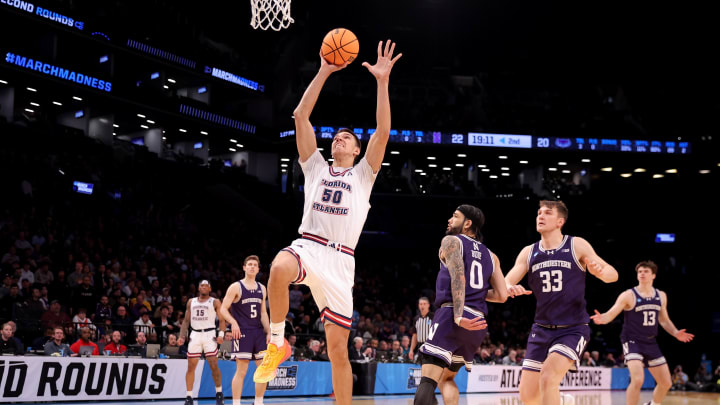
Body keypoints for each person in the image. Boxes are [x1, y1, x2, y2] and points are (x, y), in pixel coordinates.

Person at [252, 39, 402, 405]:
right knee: (278, 268)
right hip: (309, 245)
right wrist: (324, 69)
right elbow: (301, 117)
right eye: (337, 135)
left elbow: (382, 133)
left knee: (338, 351)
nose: (340, 138)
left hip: (341, 262)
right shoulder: (316, 166)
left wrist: (382, 82)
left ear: (355, 150)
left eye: (348, 138)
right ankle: (277, 343)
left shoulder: (365, 173)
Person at [505, 200, 618, 405]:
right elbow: (505, 283)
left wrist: (600, 272)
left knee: (548, 378)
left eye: (547, 213)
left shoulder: (576, 244)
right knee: (528, 396)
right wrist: (509, 287)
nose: (540, 216)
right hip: (541, 328)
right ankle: (561, 401)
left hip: (572, 328)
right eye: (539, 212)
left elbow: (613, 274)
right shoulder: (529, 252)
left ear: (560, 221)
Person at [414, 205, 508, 405]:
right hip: (477, 322)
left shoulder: (451, 241)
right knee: (447, 378)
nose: (449, 219)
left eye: (455, 216)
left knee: (428, 380)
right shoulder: (492, 256)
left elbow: (458, 277)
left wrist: (457, 316)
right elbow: (501, 295)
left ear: (467, 224)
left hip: (453, 315)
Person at [590, 260, 694, 405]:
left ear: (653, 276)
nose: (642, 274)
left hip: (651, 341)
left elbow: (664, 320)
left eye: (646, 271)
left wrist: (676, 332)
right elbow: (610, 314)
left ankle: (653, 404)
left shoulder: (661, 296)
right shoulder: (628, 295)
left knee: (666, 383)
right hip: (632, 340)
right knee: (638, 379)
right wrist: (602, 318)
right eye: (640, 272)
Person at [219, 255, 270, 405]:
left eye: (255, 265)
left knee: (263, 370)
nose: (252, 267)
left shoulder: (262, 288)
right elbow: (223, 309)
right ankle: (236, 403)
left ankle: (258, 402)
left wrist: (268, 332)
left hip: (258, 332)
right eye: (249, 264)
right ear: (244, 267)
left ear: (258, 269)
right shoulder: (236, 287)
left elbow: (263, 313)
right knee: (241, 370)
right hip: (242, 332)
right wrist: (233, 322)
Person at [178, 280, 225, 405]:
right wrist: (182, 336)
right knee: (191, 367)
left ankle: (219, 393)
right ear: (198, 288)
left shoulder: (215, 301)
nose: (203, 287)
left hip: (210, 334)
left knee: (213, 365)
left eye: (206, 285)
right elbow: (186, 321)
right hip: (195, 334)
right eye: (201, 285)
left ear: (210, 288)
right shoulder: (191, 301)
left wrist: (221, 334)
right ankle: (189, 397)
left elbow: (221, 320)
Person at [410, 297, 433, 363]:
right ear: (418, 306)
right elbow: (415, 336)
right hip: (420, 347)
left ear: (428, 305)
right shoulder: (416, 319)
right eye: (420, 304)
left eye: (424, 304)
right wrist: (411, 350)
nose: (422, 306)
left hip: (431, 346)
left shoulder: (433, 317)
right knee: (422, 368)